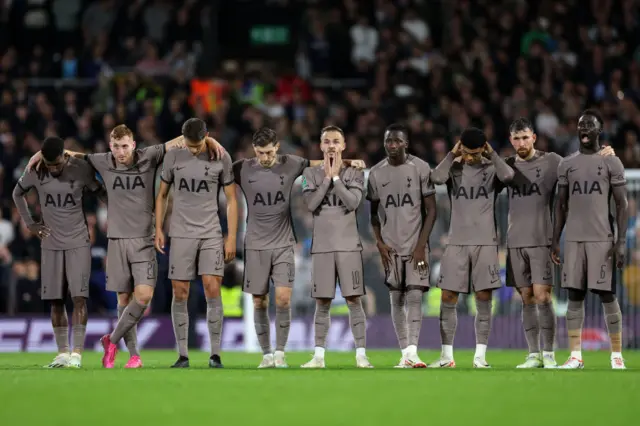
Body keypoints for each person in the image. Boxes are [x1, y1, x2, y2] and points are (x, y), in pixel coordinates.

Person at [26, 125, 224, 368]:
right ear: (111, 147)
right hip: (116, 241)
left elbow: (179, 141)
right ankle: (134, 355)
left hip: (143, 240)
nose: (121, 152)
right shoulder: (103, 161)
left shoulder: (148, 157)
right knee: (123, 299)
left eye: (125, 146)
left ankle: (111, 339)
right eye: (117, 147)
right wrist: (43, 153)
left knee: (143, 296)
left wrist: (209, 141)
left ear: (133, 145)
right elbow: (75, 155)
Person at [233, 127, 365, 368]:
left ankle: (281, 353)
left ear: (277, 147)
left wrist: (347, 161)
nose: (265, 158)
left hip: (284, 242)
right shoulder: (241, 168)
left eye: (270, 152)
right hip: (254, 244)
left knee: (283, 299)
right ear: (254, 150)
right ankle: (266, 354)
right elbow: (218, 178)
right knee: (259, 301)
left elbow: (320, 161)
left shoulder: (291, 163)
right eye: (261, 153)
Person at [13, 136, 106, 368]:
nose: (52, 169)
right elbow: (17, 193)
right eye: (49, 164)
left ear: (65, 156)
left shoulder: (81, 168)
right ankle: (63, 352)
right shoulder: (36, 169)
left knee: (79, 297)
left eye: (56, 164)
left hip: (78, 240)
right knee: (55, 299)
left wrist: (120, 209)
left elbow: (100, 192)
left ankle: (77, 353)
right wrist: (31, 224)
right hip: (50, 242)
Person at [428, 127, 515, 368]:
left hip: (486, 242)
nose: (472, 157)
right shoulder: (454, 168)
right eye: (468, 151)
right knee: (448, 296)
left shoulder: (492, 170)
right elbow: (435, 178)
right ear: (461, 148)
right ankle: (447, 356)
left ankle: (480, 357)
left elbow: (509, 177)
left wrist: (492, 154)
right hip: (457, 241)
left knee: (483, 297)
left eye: (477, 152)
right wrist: (452, 154)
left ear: (484, 149)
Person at [155, 118, 238, 368]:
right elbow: (162, 195)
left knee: (212, 287)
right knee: (180, 291)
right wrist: (158, 228)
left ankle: (215, 354)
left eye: (198, 145)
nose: (194, 150)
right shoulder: (172, 157)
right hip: (180, 233)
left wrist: (231, 236)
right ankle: (182, 354)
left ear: (207, 136)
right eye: (190, 146)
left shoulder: (221, 156)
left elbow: (232, 199)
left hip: (211, 232)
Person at [552, 109, 628, 369]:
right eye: (581, 125)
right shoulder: (566, 164)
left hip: (602, 240)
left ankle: (616, 355)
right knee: (574, 296)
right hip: (573, 240)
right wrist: (554, 240)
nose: (584, 129)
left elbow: (622, 205)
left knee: (608, 295)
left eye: (590, 125)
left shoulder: (611, 162)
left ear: (600, 130)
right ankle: (575, 356)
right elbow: (560, 205)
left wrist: (621, 242)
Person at [300, 125, 372, 368]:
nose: (331, 145)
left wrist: (337, 178)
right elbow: (311, 204)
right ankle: (319, 356)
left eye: (335, 141)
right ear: (321, 146)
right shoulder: (310, 175)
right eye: (327, 141)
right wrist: (328, 179)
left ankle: (361, 355)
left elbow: (353, 203)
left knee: (354, 300)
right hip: (322, 247)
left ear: (343, 146)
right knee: (322, 302)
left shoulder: (355, 173)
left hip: (349, 246)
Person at [366, 123, 437, 368]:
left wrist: (421, 246)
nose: (392, 145)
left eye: (396, 141)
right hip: (391, 248)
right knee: (396, 298)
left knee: (415, 295)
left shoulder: (420, 168)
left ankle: (413, 352)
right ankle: (406, 352)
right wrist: (379, 242)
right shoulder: (375, 173)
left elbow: (432, 211)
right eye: (388, 141)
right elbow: (373, 214)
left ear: (406, 143)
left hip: (415, 244)